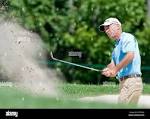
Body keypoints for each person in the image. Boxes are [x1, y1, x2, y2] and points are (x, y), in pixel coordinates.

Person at [99, 17, 143, 104]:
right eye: (105, 29)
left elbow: (130, 55)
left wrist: (115, 69)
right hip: (124, 83)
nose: (106, 31)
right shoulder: (116, 48)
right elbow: (112, 66)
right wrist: (108, 70)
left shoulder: (127, 37)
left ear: (118, 26)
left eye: (108, 27)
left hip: (132, 81)